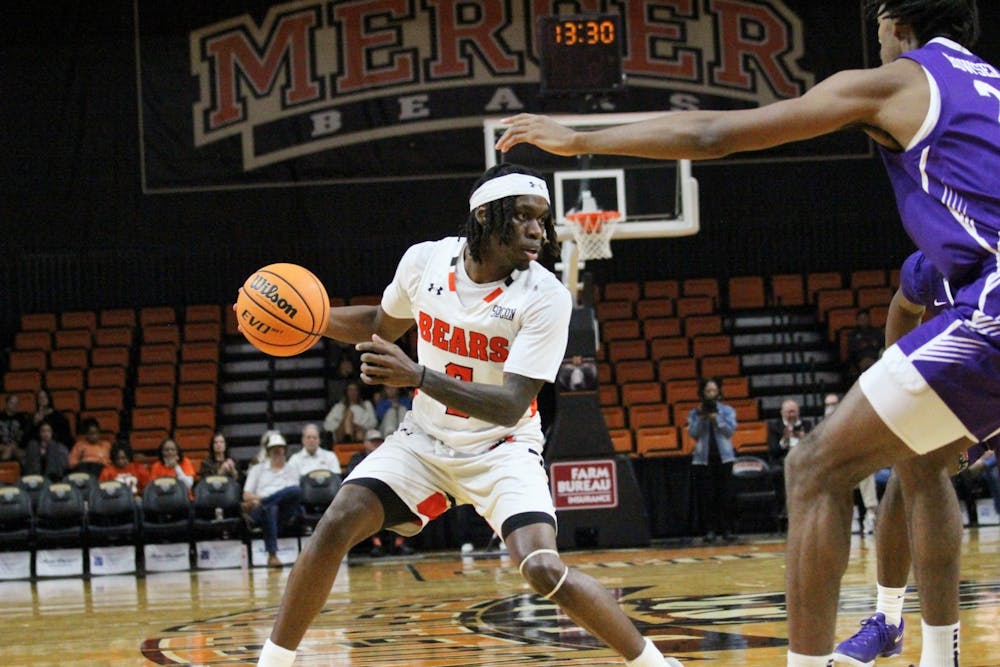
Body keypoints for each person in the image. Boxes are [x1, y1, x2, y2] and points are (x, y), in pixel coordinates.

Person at [496, 3, 997, 664]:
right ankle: (932, 649)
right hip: (976, 296)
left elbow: (713, 134)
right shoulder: (988, 87)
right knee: (923, 457)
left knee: (813, 466)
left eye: (876, 21)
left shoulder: (902, 80)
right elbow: (910, 302)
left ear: (895, 22)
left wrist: (579, 136)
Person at [255, 163, 682, 667]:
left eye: (542, 221)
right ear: (484, 216)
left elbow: (509, 404)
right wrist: (309, 319)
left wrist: (418, 378)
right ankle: (273, 661)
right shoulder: (425, 262)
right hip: (424, 440)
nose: (536, 231)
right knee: (336, 523)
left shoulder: (546, 296)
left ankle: (658, 664)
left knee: (542, 567)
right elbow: (378, 323)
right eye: (523, 216)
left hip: (503, 449)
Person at [834, 249, 997, 665]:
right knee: (907, 458)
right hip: (972, 389)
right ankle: (888, 621)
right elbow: (903, 307)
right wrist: (900, 392)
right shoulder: (931, 262)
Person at [686, 378, 738, 543]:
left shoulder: (728, 410)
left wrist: (717, 418)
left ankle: (727, 529)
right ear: (702, 393)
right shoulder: (695, 413)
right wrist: (702, 418)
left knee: (725, 494)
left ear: (719, 392)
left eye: (713, 390)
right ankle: (710, 530)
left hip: (724, 457)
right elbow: (693, 434)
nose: (711, 394)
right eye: (708, 391)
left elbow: (729, 431)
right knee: (707, 496)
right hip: (703, 459)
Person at [242, 431, 302, 568]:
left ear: (284, 451)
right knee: (271, 508)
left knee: (295, 491)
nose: (277, 452)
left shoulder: (292, 469)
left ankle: (266, 503)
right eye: (274, 450)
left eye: (280, 449)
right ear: (268, 452)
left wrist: (264, 501)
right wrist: (261, 499)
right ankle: (272, 556)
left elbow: (294, 495)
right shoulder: (257, 469)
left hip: (285, 511)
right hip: (261, 512)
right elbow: (246, 495)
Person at [824, 393, 879, 535]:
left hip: (854, 467)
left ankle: (871, 514)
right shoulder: (822, 429)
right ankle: (851, 517)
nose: (831, 408)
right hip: (835, 470)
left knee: (866, 472)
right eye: (828, 405)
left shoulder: (852, 423)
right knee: (836, 476)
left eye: (834, 404)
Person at [845, 309, 885, 380]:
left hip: (876, 358)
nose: (863, 321)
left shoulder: (876, 332)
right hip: (860, 360)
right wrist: (862, 346)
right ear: (857, 320)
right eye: (861, 319)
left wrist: (875, 345)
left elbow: (882, 344)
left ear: (869, 319)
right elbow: (851, 348)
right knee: (867, 364)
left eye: (865, 318)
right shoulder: (853, 334)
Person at [0, 394, 28, 465]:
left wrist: (16, 446)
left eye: (16, 403)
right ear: (6, 404)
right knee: (9, 448)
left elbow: (24, 436)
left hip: (16, 448)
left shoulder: (22, 419)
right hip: (1, 446)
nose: (14, 405)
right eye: (12, 403)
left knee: (13, 450)